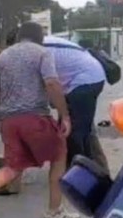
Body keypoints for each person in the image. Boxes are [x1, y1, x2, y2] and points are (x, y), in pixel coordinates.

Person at [0, 22, 79, 218]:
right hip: (35, 117)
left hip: (8, 121)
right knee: (59, 153)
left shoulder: (3, 56)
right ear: (40, 37)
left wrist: (8, 108)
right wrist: (64, 115)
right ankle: (55, 210)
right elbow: (52, 83)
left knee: (14, 165)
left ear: (20, 36)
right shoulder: (42, 53)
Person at [42, 35, 109, 170]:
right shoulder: (43, 43)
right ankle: (93, 167)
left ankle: (83, 172)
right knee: (80, 128)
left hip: (85, 82)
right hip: (85, 79)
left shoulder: (40, 49)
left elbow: (50, 83)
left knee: (75, 133)